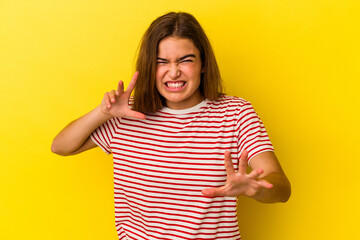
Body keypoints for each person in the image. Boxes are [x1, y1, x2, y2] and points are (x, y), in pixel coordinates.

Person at [52, 12, 291, 240]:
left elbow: (281, 188)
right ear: (149, 68)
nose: (174, 72)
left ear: (203, 64)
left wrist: (255, 188)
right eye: (162, 62)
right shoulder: (126, 113)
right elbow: (61, 146)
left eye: (185, 60)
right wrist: (102, 112)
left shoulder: (235, 113)